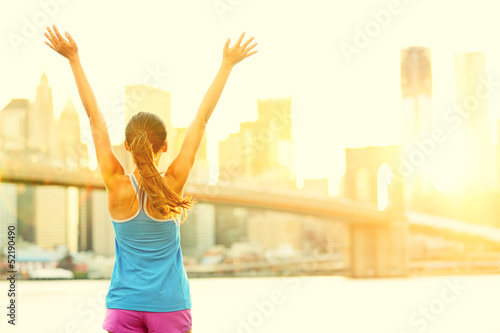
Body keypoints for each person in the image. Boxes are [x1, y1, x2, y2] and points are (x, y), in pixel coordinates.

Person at [44, 25, 257, 333]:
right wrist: (226, 65)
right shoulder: (173, 183)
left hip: (123, 307)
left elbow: (95, 120)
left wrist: (74, 59)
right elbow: (201, 121)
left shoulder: (116, 182)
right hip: (169, 307)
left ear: (126, 146)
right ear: (166, 146)